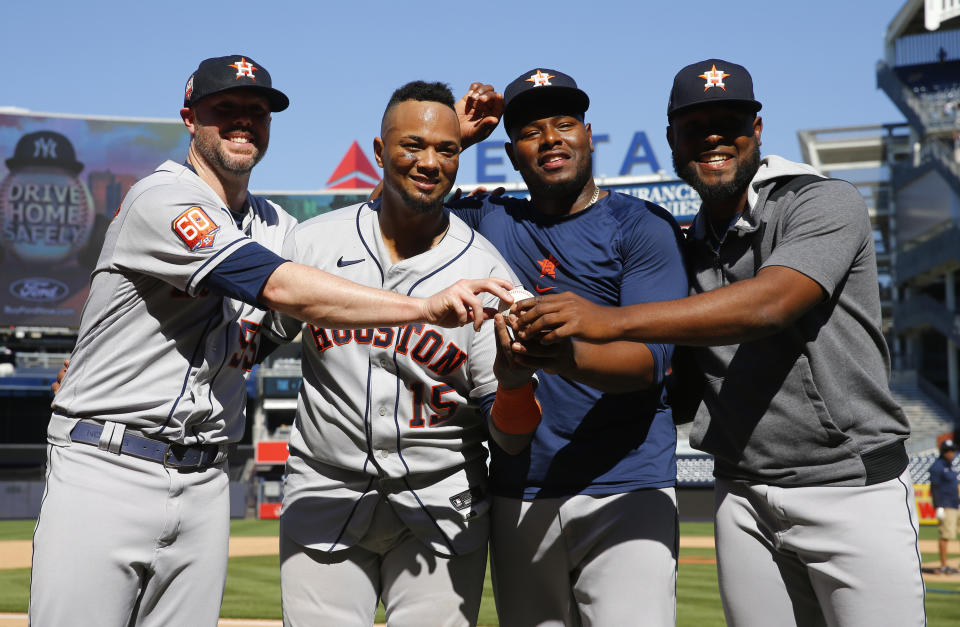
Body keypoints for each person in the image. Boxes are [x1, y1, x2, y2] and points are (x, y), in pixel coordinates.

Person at [30, 57, 512, 627]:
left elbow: (374, 231)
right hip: (109, 462)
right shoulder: (161, 199)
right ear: (189, 118)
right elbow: (279, 284)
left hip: (206, 477)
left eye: (256, 112)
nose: (243, 123)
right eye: (224, 110)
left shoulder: (281, 228)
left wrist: (435, 138)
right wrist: (423, 308)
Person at [517, 58, 926, 626]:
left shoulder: (822, 201)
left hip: (851, 485)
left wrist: (607, 321)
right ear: (672, 140)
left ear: (757, 130)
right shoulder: (690, 240)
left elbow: (768, 305)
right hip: (741, 494)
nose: (712, 138)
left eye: (729, 123)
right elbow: (679, 374)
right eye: (695, 126)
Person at [274, 81, 539, 627]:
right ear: (378, 152)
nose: (429, 161)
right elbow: (247, 342)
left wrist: (515, 384)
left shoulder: (486, 273)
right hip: (326, 494)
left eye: (446, 149)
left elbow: (511, 438)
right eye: (412, 145)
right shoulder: (313, 245)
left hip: (441, 505)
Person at [449, 68, 688, 626]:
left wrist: (564, 356)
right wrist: (454, 140)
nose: (551, 137)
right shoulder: (489, 218)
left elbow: (647, 364)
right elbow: (378, 218)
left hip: (626, 482)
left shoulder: (640, 225)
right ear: (511, 154)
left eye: (564, 123)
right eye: (532, 130)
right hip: (518, 484)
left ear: (587, 135)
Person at [930, 438, 959, 574]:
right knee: (945, 535)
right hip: (946, 505)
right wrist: (938, 506)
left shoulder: (950, 465)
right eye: (948, 450)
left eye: (953, 450)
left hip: (955, 504)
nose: (951, 453)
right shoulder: (937, 466)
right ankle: (943, 566)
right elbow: (934, 488)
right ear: (943, 451)